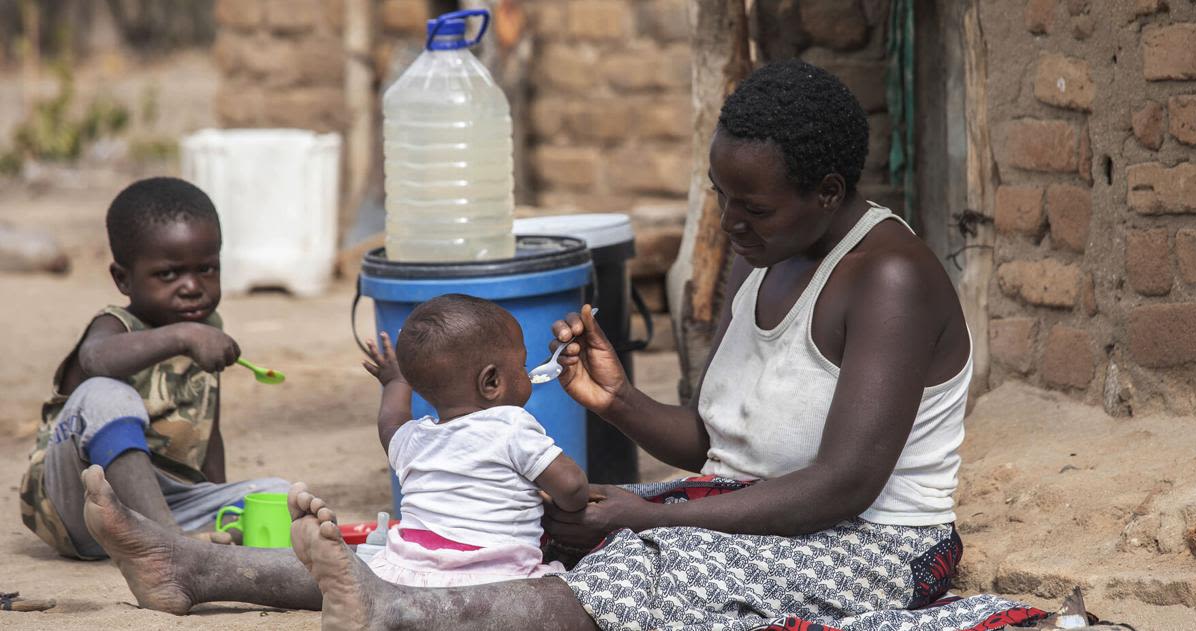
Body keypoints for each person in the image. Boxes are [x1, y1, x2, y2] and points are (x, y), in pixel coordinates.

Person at [77, 61, 1044, 630]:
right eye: (723, 199)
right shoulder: (769, 255)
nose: (731, 226)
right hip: (754, 505)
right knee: (492, 523)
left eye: (752, 206)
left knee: (622, 567)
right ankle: (198, 569)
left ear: (829, 191)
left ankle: (391, 612)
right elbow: (722, 449)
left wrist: (648, 519)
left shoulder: (890, 277)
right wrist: (619, 404)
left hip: (875, 545)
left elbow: (842, 485)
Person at [19, 177, 290, 560]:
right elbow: (95, 361)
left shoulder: (207, 330)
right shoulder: (115, 327)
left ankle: (171, 538)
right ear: (123, 279)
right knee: (105, 395)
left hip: (160, 507)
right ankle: (172, 546)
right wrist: (183, 336)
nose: (192, 286)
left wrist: (216, 497)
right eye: (168, 274)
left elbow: (208, 430)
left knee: (279, 495)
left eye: (207, 269)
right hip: (80, 506)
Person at [359, 294, 588, 586]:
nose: (527, 374)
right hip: (496, 577)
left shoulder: (410, 438)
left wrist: (395, 382)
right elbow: (572, 487)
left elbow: (390, 420)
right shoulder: (510, 425)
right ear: (491, 382)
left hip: (409, 572)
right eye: (522, 365)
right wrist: (572, 503)